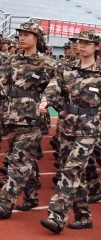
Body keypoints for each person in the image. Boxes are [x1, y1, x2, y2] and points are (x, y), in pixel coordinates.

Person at [0, 22, 56, 219]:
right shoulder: (12, 60)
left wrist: (47, 100)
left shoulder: (46, 63)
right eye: (20, 34)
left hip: (31, 119)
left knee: (18, 160)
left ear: (37, 38)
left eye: (27, 35)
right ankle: (32, 196)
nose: (21, 38)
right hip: (11, 116)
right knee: (24, 158)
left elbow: (55, 86)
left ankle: (6, 203)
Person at [39, 29, 101, 234]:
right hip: (66, 126)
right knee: (75, 173)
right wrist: (47, 100)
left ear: (97, 46)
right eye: (79, 42)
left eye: (86, 43)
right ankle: (83, 216)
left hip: (89, 129)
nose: (81, 46)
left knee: (71, 170)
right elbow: (53, 87)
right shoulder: (66, 68)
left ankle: (56, 216)